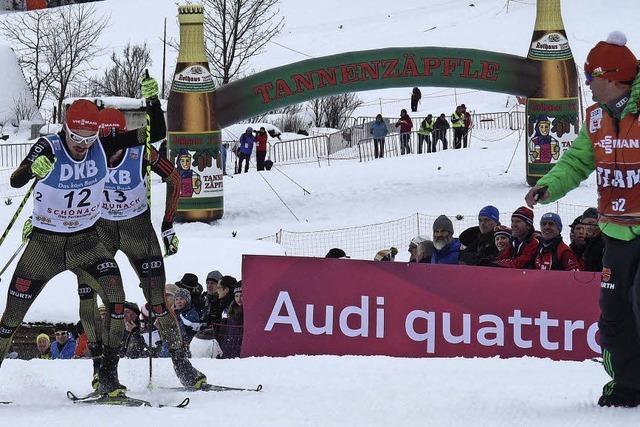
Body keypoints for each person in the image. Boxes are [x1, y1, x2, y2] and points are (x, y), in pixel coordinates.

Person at [0, 77, 165, 397]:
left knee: (116, 300)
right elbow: (16, 179)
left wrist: (153, 103)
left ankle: (107, 378)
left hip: (86, 242)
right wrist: (34, 169)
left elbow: (153, 134)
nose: (81, 145)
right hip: (45, 245)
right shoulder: (48, 145)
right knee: (11, 319)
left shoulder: (101, 144)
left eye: (88, 138)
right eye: (75, 136)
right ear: (65, 128)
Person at [524, 32, 640, 407]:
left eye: (590, 77)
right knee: (614, 313)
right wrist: (548, 186)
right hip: (616, 234)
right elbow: (575, 162)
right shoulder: (595, 119)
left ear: (611, 77)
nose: (587, 85)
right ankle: (628, 385)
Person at [75, 106, 206, 390]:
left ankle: (183, 366)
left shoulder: (141, 152)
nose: (108, 148)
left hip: (137, 230)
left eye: (115, 137)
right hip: (102, 231)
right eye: (103, 139)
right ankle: (104, 371)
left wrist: (168, 224)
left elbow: (174, 178)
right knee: (109, 303)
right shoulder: (88, 153)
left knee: (159, 302)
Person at [220, 286, 244, 359]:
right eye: (236, 296)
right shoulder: (229, 311)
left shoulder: (248, 311)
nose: (239, 299)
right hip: (230, 342)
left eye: (241, 296)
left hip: (241, 343)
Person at [581, 207, 605, 272]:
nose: (588, 226)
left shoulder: (605, 243)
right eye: (584, 224)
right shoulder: (587, 242)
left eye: (591, 223)